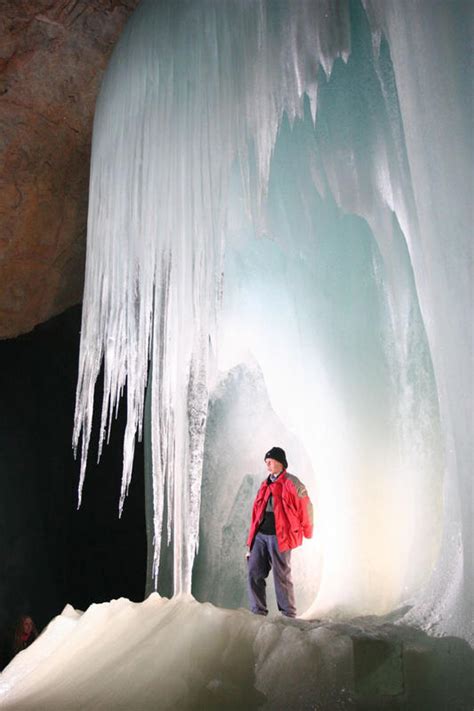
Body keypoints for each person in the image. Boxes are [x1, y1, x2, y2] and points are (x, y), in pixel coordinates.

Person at [246, 446, 313, 618]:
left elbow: (305, 506)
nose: (267, 465)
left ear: (280, 462)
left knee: (281, 575)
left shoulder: (292, 483)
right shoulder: (265, 484)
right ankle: (258, 611)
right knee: (254, 571)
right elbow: (256, 512)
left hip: (280, 536)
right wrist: (251, 538)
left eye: (270, 461)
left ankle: (289, 614)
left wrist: (307, 529)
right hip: (261, 535)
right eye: (266, 462)